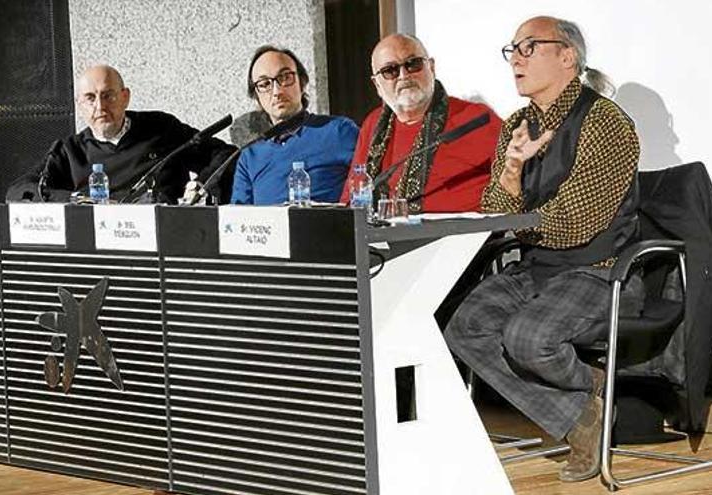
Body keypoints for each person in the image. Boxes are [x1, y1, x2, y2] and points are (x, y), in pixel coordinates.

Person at [443, 16, 641, 482]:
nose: (516, 58)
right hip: (539, 267)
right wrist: (512, 170)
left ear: (568, 56)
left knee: (528, 338)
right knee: (463, 327)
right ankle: (583, 410)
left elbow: (577, 223)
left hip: (599, 267)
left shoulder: (606, 122)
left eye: (529, 47)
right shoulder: (517, 124)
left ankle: (585, 404)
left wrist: (520, 223)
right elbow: (494, 210)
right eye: (511, 49)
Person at [5, 65, 236, 203]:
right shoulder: (69, 150)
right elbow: (18, 191)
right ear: (79, 104)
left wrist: (201, 186)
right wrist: (77, 201)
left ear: (125, 97)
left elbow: (225, 154)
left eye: (108, 95)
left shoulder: (161, 128)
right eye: (90, 98)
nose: (100, 107)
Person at [341, 34, 502, 213]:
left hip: (467, 236)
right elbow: (353, 194)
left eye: (413, 64)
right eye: (390, 70)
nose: (404, 76)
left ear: (431, 68)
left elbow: (517, 183)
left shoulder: (476, 118)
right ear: (377, 85)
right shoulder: (373, 123)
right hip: (383, 235)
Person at [230, 46, 358, 205]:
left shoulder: (338, 131)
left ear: (302, 82)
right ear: (256, 95)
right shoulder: (250, 155)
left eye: (284, 77)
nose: (276, 91)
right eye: (264, 84)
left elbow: (369, 187)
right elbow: (238, 217)